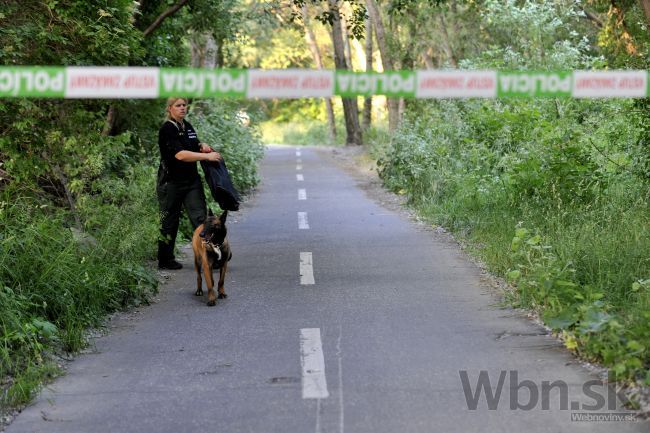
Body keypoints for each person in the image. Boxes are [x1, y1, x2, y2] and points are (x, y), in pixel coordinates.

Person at [157, 97, 222, 270]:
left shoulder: (187, 126)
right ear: (170, 108)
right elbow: (180, 155)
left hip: (191, 181)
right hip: (171, 182)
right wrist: (207, 157)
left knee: (201, 218)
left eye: (184, 105)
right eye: (178, 105)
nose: (182, 108)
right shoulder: (167, 129)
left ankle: (209, 256)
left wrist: (202, 145)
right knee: (169, 221)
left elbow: (193, 145)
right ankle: (165, 259)